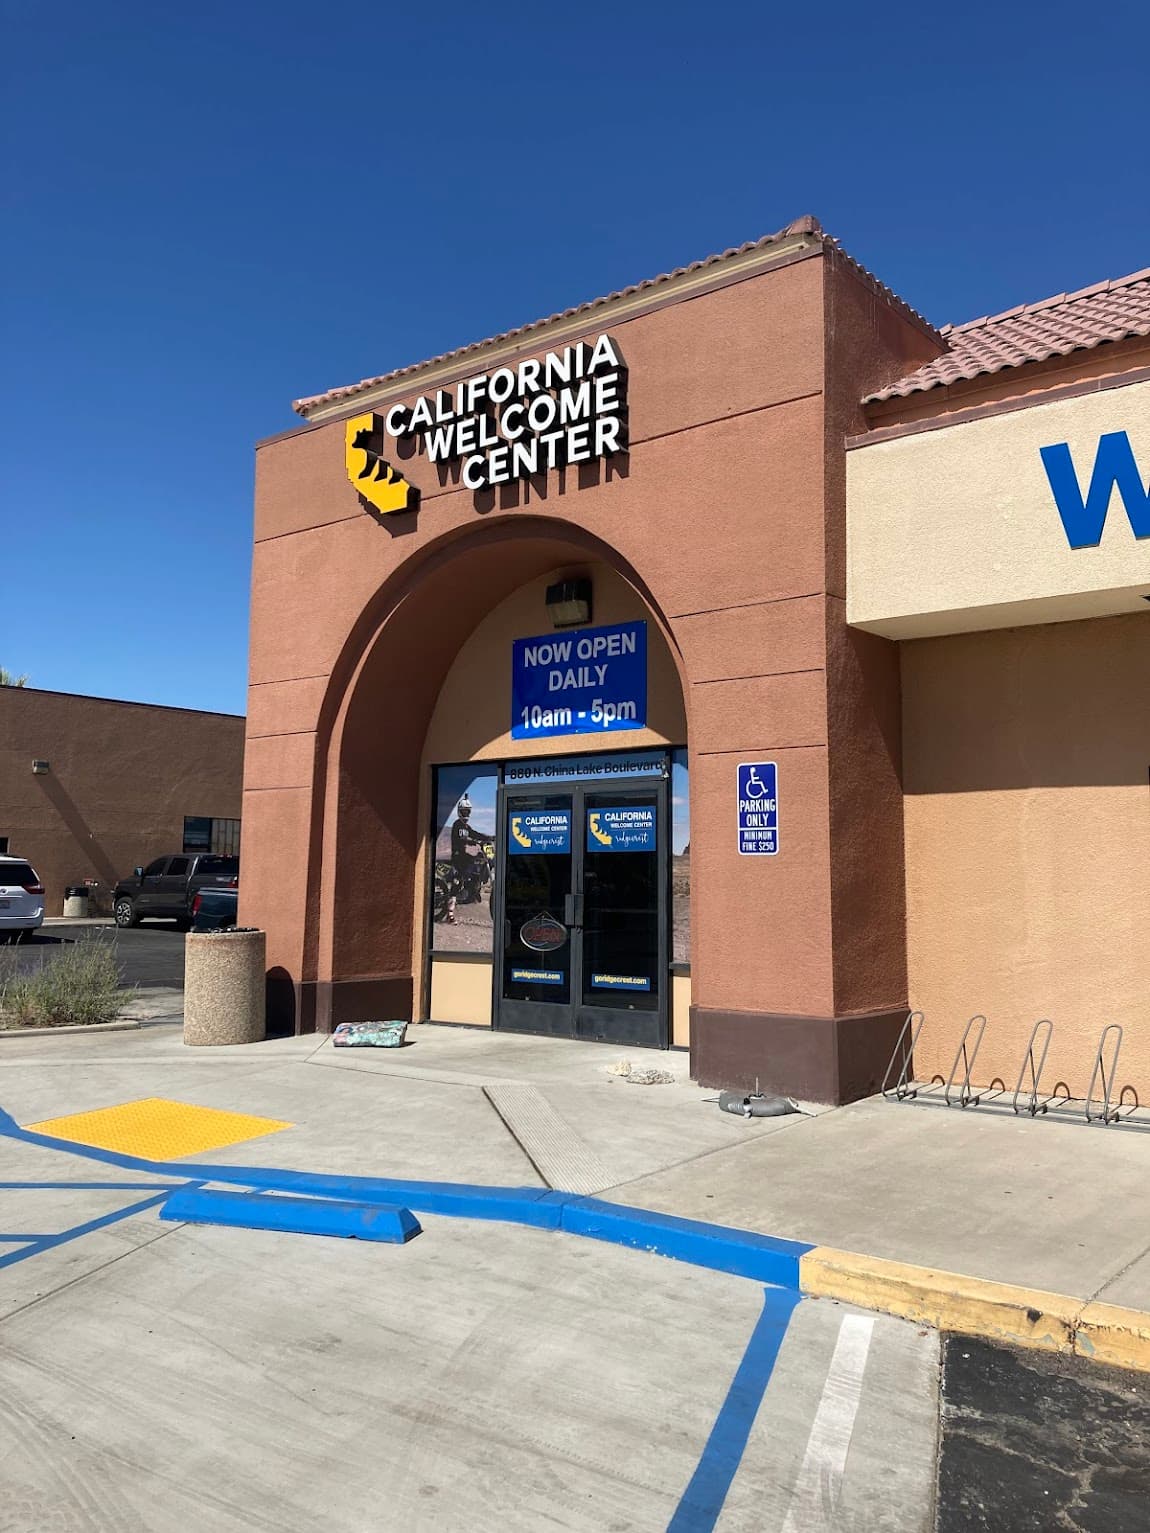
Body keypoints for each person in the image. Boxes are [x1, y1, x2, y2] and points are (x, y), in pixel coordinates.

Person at [446, 795, 493, 923]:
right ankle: (450, 914)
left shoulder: (467, 827)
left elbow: (474, 833)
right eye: (464, 811)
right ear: (459, 812)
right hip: (458, 856)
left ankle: (472, 889)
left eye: (468, 811)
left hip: (464, 855)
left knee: (478, 862)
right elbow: (461, 839)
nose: (466, 814)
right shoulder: (457, 825)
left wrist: (488, 838)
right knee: (457, 881)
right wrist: (472, 841)